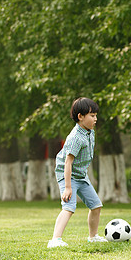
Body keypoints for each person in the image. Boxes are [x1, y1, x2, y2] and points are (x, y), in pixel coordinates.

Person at [47, 97, 107, 248]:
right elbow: (68, 163)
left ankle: (93, 237)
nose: (95, 119)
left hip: (81, 175)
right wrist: (68, 187)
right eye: (92, 115)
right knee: (68, 207)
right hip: (68, 175)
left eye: (96, 115)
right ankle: (55, 240)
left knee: (96, 206)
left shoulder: (89, 132)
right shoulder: (75, 137)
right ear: (80, 117)